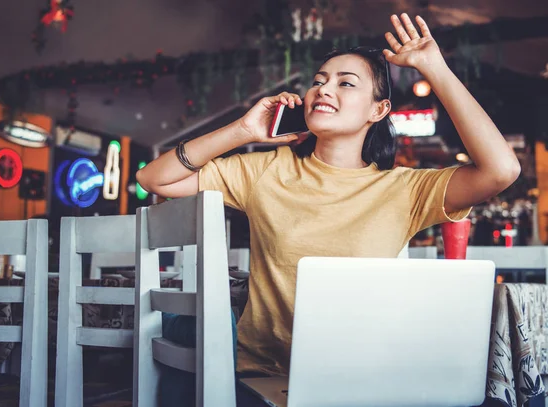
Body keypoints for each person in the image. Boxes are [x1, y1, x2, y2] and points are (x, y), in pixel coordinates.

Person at [137, 13, 520, 406]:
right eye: (318, 81)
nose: (323, 89)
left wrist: (434, 68)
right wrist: (244, 131)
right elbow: (153, 179)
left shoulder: (404, 188)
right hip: (266, 378)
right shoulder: (267, 169)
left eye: (345, 83)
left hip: (363, 379)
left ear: (378, 110)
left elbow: (502, 170)